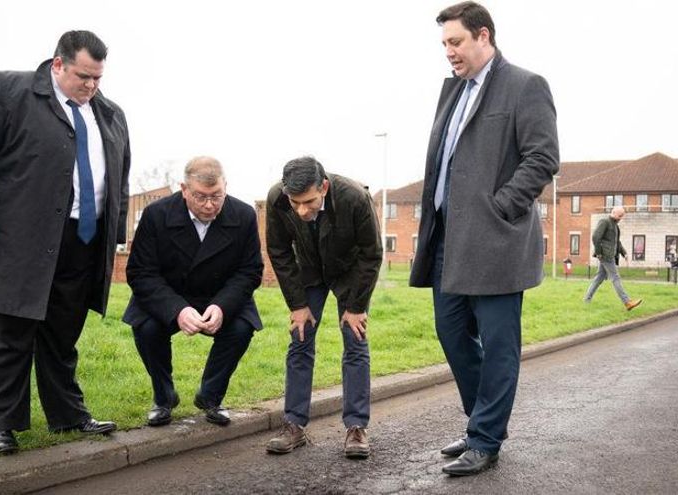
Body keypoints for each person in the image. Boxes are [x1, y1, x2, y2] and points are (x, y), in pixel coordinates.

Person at [0, 30, 130, 454]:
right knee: (7, 330)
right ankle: (0, 424)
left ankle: (68, 415)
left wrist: (112, 237)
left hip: (82, 240)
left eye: (98, 78)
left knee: (62, 333)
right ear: (58, 64)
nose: (91, 86)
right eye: (84, 76)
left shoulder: (111, 114)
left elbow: (118, 175)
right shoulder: (6, 91)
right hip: (14, 239)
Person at [408, 2, 560, 476]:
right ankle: (482, 422)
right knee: (451, 333)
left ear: (483, 36)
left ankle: (485, 438)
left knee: (499, 344)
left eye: (456, 42)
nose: (449, 52)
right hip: (447, 240)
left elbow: (543, 156)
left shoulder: (525, 85)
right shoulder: (452, 91)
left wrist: (501, 207)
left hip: (495, 240)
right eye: (444, 44)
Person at [123, 156, 263, 427]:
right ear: (184, 189)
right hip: (169, 294)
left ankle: (211, 396)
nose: (209, 205)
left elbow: (250, 271)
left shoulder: (244, 216)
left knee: (242, 327)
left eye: (217, 196)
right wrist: (177, 309)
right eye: (200, 197)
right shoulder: (156, 215)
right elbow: (140, 272)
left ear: (226, 187)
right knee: (146, 327)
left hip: (219, 294)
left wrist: (222, 306)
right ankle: (164, 398)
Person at [264, 156, 382, 459]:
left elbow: (372, 253)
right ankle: (294, 424)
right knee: (300, 338)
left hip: (350, 271)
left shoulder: (355, 197)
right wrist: (298, 304)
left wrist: (356, 306)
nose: (302, 210)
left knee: (354, 339)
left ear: (324, 187)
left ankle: (356, 427)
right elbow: (278, 251)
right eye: (296, 203)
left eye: (310, 202)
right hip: (310, 272)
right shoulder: (277, 199)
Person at [584, 206, 643, 309]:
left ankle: (586, 299)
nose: (621, 218)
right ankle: (627, 302)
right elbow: (595, 237)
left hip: (609, 254)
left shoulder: (615, 226)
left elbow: (617, 243)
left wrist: (624, 253)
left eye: (622, 216)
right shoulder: (605, 221)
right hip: (606, 255)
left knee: (599, 278)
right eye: (620, 215)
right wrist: (598, 252)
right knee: (615, 277)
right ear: (614, 212)